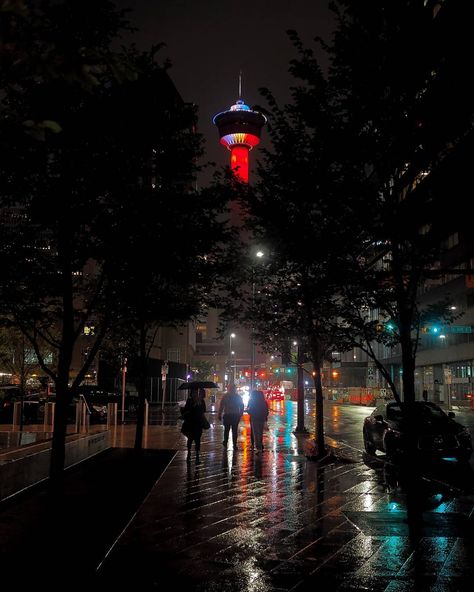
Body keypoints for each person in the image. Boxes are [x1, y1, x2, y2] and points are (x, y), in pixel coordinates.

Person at [181, 389, 207, 462]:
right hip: (190, 423)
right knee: (190, 439)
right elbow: (187, 409)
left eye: (196, 393)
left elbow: (204, 410)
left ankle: (197, 456)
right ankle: (189, 453)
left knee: (197, 440)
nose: (195, 394)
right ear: (191, 394)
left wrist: (200, 403)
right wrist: (194, 405)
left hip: (198, 423)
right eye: (194, 393)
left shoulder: (201, 401)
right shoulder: (190, 401)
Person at [218, 384, 244, 450]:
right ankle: (234, 444)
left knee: (227, 430)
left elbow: (221, 406)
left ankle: (226, 442)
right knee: (234, 430)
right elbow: (241, 405)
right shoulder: (237, 397)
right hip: (235, 415)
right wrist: (240, 413)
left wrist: (219, 414)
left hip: (228, 415)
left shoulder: (225, 396)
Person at [247, 390, 269, 454]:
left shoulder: (253, 402)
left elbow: (250, 410)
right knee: (260, 433)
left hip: (255, 419)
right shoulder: (264, 402)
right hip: (262, 419)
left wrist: (248, 411)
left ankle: (258, 448)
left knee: (256, 434)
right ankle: (260, 445)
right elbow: (266, 411)